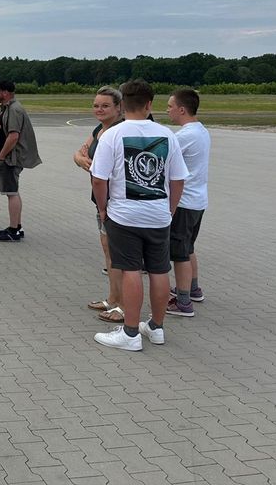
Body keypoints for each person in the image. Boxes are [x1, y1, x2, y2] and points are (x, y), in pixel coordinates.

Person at [90, 80, 188, 351]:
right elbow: (178, 179)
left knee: (130, 269)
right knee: (159, 270)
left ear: (123, 105)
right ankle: (156, 327)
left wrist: (103, 208)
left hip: (124, 215)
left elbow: (99, 179)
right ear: (148, 104)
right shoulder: (167, 135)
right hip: (158, 214)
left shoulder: (112, 135)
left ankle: (131, 333)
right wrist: (170, 208)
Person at [73, 86, 125, 323]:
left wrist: (86, 161)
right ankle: (112, 298)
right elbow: (79, 153)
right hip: (101, 199)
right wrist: (81, 158)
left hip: (113, 200)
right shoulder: (99, 129)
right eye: (96, 105)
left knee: (117, 253)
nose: (99, 109)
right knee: (108, 251)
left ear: (118, 107)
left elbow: (102, 168)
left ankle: (122, 305)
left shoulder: (117, 131)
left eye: (105, 106)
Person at [165, 88, 211, 316]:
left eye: (170, 106)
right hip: (198, 201)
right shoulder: (201, 131)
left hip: (184, 202)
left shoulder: (184, 136)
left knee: (179, 253)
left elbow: (163, 158)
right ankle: (192, 288)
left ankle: (183, 302)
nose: (168, 110)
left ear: (182, 109)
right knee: (188, 247)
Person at [0, 80, 42, 242]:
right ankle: (16, 226)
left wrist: (1, 156)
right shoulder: (8, 108)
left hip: (11, 159)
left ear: (4, 92)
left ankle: (13, 230)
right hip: (10, 158)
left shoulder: (13, 109)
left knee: (11, 192)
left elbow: (13, 136)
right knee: (13, 191)